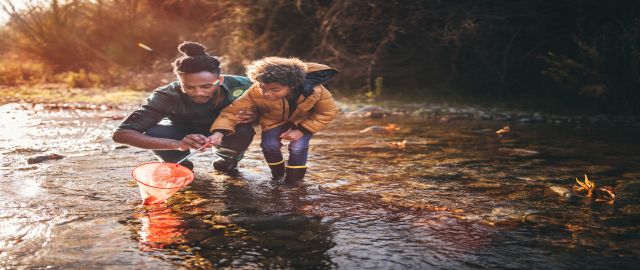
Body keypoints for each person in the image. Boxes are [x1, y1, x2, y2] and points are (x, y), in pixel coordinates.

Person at [112, 42, 337, 174]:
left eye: (206, 86)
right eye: (188, 87)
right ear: (179, 82)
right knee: (153, 130)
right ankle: (178, 164)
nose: (198, 92)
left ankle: (227, 162)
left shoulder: (244, 86)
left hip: (227, 132)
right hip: (179, 134)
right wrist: (177, 144)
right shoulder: (165, 95)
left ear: (219, 81)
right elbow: (122, 133)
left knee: (245, 130)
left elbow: (283, 108)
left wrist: (257, 114)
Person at [207, 57, 339, 184]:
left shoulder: (315, 91)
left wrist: (302, 130)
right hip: (273, 121)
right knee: (269, 146)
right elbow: (232, 111)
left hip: (303, 122)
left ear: (292, 86)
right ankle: (278, 177)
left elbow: (328, 111)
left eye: (274, 90)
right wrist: (219, 132)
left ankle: (294, 182)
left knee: (298, 147)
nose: (266, 93)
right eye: (263, 88)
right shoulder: (255, 91)